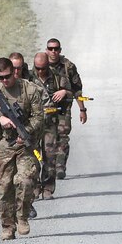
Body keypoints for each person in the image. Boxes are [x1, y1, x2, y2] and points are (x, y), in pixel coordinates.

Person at [0, 57, 43, 240]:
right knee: (4, 187)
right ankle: (7, 226)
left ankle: (22, 217)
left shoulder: (29, 89)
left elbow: (39, 117)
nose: (4, 81)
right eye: (0, 77)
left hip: (24, 145)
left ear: (14, 72)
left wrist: (26, 131)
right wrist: (0, 119)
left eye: (7, 76)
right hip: (4, 145)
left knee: (26, 180)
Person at [25, 52, 72, 199]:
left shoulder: (57, 76)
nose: (40, 71)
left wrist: (64, 92)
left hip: (50, 124)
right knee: (33, 158)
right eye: (37, 68)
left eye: (43, 68)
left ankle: (48, 188)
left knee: (50, 157)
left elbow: (72, 93)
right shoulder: (28, 78)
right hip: (33, 124)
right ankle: (35, 188)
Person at [45, 38, 85, 179]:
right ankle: (49, 168)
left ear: (60, 50)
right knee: (48, 138)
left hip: (63, 108)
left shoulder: (68, 66)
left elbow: (77, 90)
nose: (53, 51)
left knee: (62, 135)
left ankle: (60, 167)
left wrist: (82, 110)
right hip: (46, 108)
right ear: (46, 50)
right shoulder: (41, 65)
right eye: (50, 48)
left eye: (56, 49)